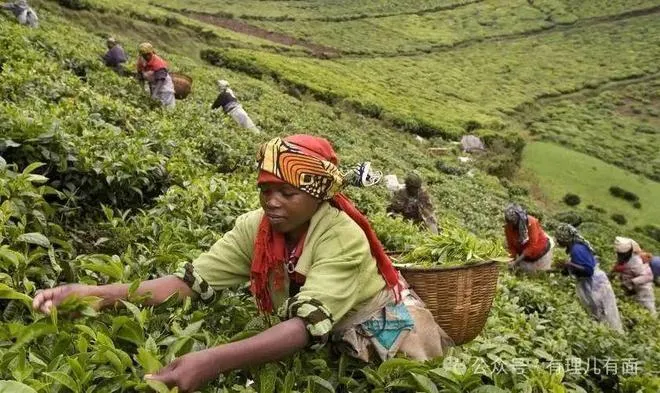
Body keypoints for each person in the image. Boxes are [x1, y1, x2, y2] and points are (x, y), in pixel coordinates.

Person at [32, 135, 452, 392]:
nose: (272, 201)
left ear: (318, 194)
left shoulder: (342, 236)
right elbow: (186, 284)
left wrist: (212, 360)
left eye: (287, 192)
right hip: (330, 331)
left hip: (386, 331)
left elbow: (305, 328)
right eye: (266, 189)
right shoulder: (258, 228)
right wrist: (93, 295)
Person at [555, 224, 623, 332]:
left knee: (603, 310)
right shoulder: (573, 247)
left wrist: (568, 264)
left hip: (594, 283)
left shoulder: (577, 249)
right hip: (592, 282)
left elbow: (588, 270)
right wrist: (563, 268)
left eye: (559, 239)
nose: (558, 241)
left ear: (565, 239)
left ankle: (613, 334)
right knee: (598, 311)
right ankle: (607, 332)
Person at [611, 237, 656, 317]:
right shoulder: (624, 258)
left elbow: (648, 276)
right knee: (633, 310)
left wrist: (631, 282)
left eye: (622, 254)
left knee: (648, 312)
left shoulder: (636, 261)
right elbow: (619, 268)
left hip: (643, 289)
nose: (620, 255)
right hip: (631, 288)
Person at [503, 204, 553, 273]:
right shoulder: (508, 228)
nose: (511, 225)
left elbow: (532, 246)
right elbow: (511, 246)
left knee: (540, 275)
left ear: (519, 218)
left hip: (541, 251)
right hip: (526, 256)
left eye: (513, 222)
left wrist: (516, 262)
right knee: (524, 274)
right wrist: (511, 260)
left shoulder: (531, 223)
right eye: (509, 222)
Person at [136, 42, 175, 109]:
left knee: (167, 106)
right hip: (153, 84)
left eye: (148, 54)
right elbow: (140, 76)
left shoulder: (158, 63)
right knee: (155, 105)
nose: (146, 57)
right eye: (144, 55)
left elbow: (161, 80)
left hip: (164, 87)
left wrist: (154, 93)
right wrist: (143, 90)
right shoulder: (141, 61)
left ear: (152, 53)